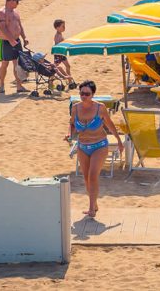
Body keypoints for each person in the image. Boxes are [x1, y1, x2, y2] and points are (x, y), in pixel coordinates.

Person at [65, 81, 122, 219]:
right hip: (83, 146)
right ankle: (94, 203)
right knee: (86, 178)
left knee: (92, 176)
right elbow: (72, 124)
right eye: (81, 93)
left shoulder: (100, 108)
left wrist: (119, 141)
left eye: (87, 94)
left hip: (99, 145)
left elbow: (110, 124)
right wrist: (69, 134)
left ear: (93, 94)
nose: (84, 96)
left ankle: (91, 209)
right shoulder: (75, 108)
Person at [0, 0, 27, 95]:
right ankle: (1, 85)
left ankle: (19, 86)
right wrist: (11, 40)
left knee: (17, 63)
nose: (18, 4)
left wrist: (24, 37)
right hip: (6, 41)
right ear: (11, 1)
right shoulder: (1, 12)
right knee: (5, 63)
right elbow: (3, 28)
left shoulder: (16, 12)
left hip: (17, 40)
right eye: (17, 1)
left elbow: (20, 25)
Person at [51, 19, 74, 85]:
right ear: (57, 28)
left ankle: (69, 81)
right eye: (63, 26)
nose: (64, 28)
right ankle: (50, 82)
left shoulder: (60, 34)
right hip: (58, 54)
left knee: (68, 66)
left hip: (61, 53)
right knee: (54, 68)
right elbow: (58, 45)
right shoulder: (57, 36)